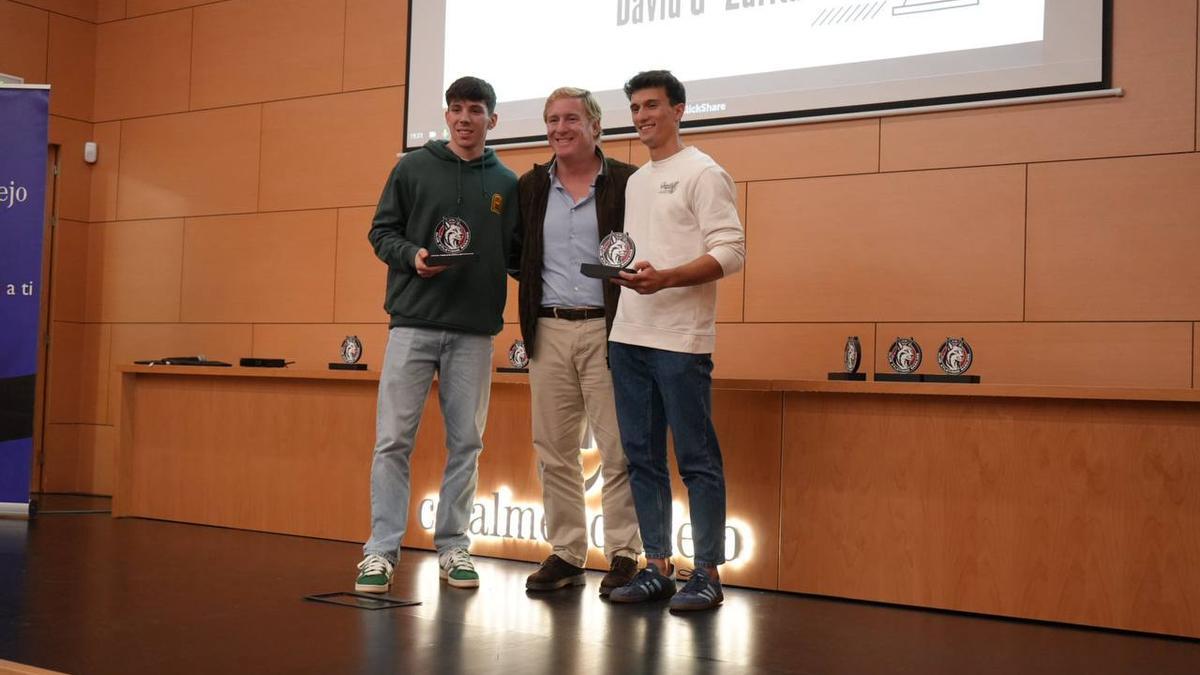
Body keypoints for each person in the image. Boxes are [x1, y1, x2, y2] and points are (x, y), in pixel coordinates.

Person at [355, 76, 519, 593]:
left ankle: (453, 547)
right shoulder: (412, 167)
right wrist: (412, 257)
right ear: (446, 116)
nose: (465, 118)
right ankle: (380, 552)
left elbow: (517, 256)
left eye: (476, 109)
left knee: (466, 444)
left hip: (474, 333)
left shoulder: (508, 184)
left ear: (492, 120)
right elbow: (382, 232)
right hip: (412, 324)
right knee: (392, 442)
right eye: (456, 109)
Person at [605, 70, 745, 611]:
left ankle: (707, 572)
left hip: (681, 340)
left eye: (653, 106)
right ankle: (656, 566)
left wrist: (665, 278)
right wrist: (627, 273)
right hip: (629, 335)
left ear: (679, 110)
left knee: (695, 458)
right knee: (640, 456)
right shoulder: (638, 181)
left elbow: (732, 252)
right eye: (636, 107)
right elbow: (644, 253)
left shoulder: (705, 172)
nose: (642, 116)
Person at [514, 87, 643, 596]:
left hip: (608, 330)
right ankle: (567, 552)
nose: (560, 128)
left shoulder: (629, 183)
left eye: (571, 118)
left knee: (618, 448)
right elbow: (518, 256)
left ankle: (624, 553)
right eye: (552, 120)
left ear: (594, 125)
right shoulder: (529, 188)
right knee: (553, 449)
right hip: (547, 330)